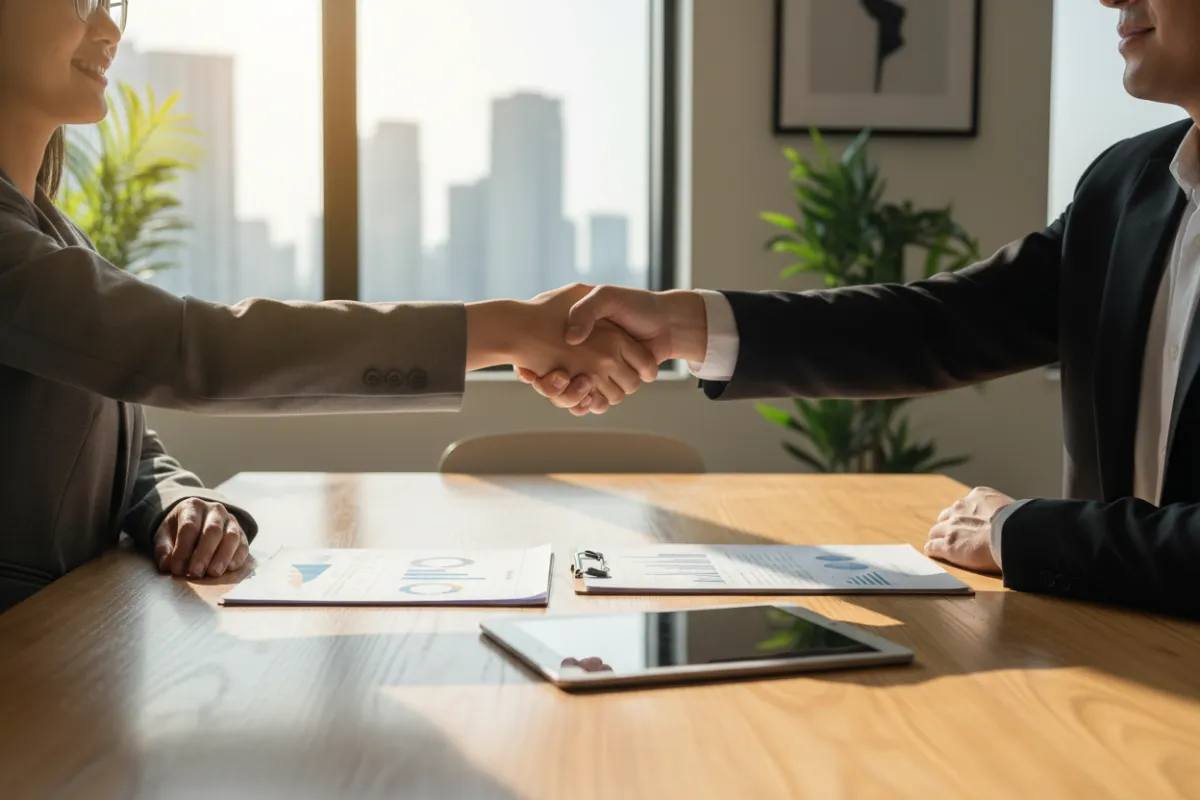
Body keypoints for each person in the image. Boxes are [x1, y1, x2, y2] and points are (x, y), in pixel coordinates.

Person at [526, 0, 1200, 619]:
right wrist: (680, 325)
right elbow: (943, 325)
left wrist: (1020, 531)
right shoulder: (1127, 184)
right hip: (1119, 661)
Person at [0, 0, 649, 611]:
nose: (110, 31)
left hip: (69, 643)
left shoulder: (54, 232)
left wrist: (174, 500)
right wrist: (509, 331)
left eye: (114, 5)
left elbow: (119, 435)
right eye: (82, 0)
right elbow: (195, 350)